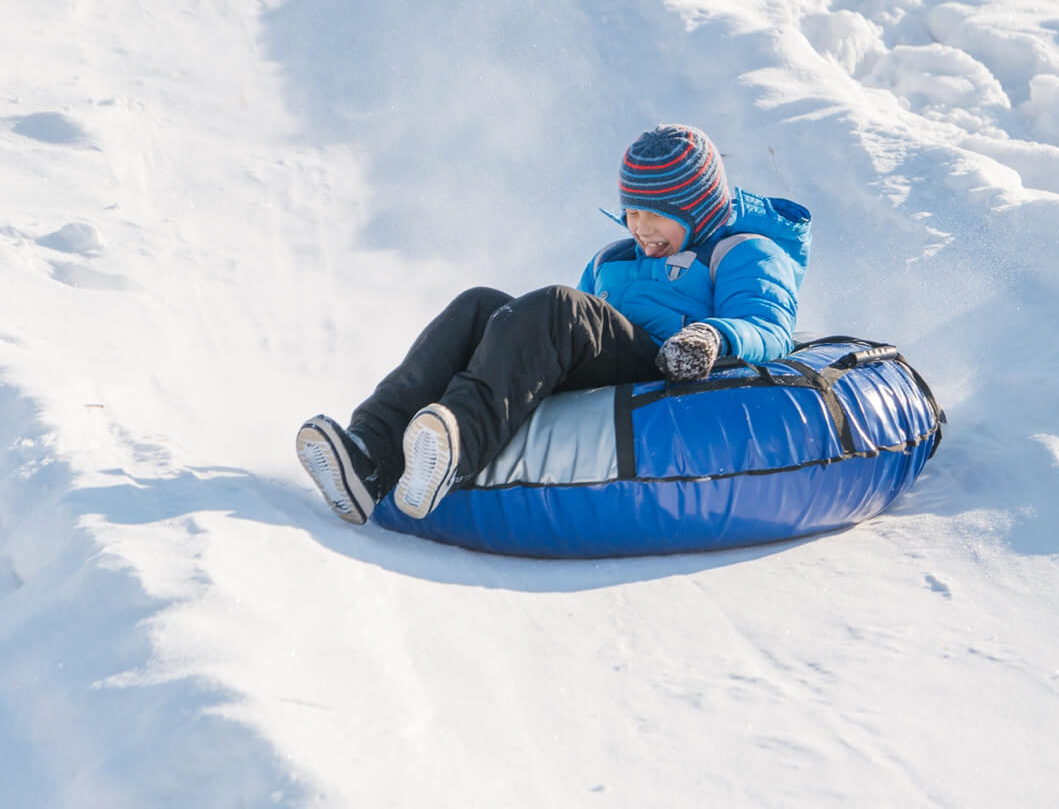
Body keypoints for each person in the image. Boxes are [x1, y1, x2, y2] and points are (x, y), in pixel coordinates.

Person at [296, 123, 803, 526]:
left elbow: (769, 325)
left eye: (658, 216)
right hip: (609, 364)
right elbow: (566, 330)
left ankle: (456, 450)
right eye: (632, 215)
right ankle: (370, 455)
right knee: (479, 305)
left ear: (700, 208)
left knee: (562, 305)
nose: (641, 230)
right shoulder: (613, 258)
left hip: (666, 367)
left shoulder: (742, 251)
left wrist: (711, 336)